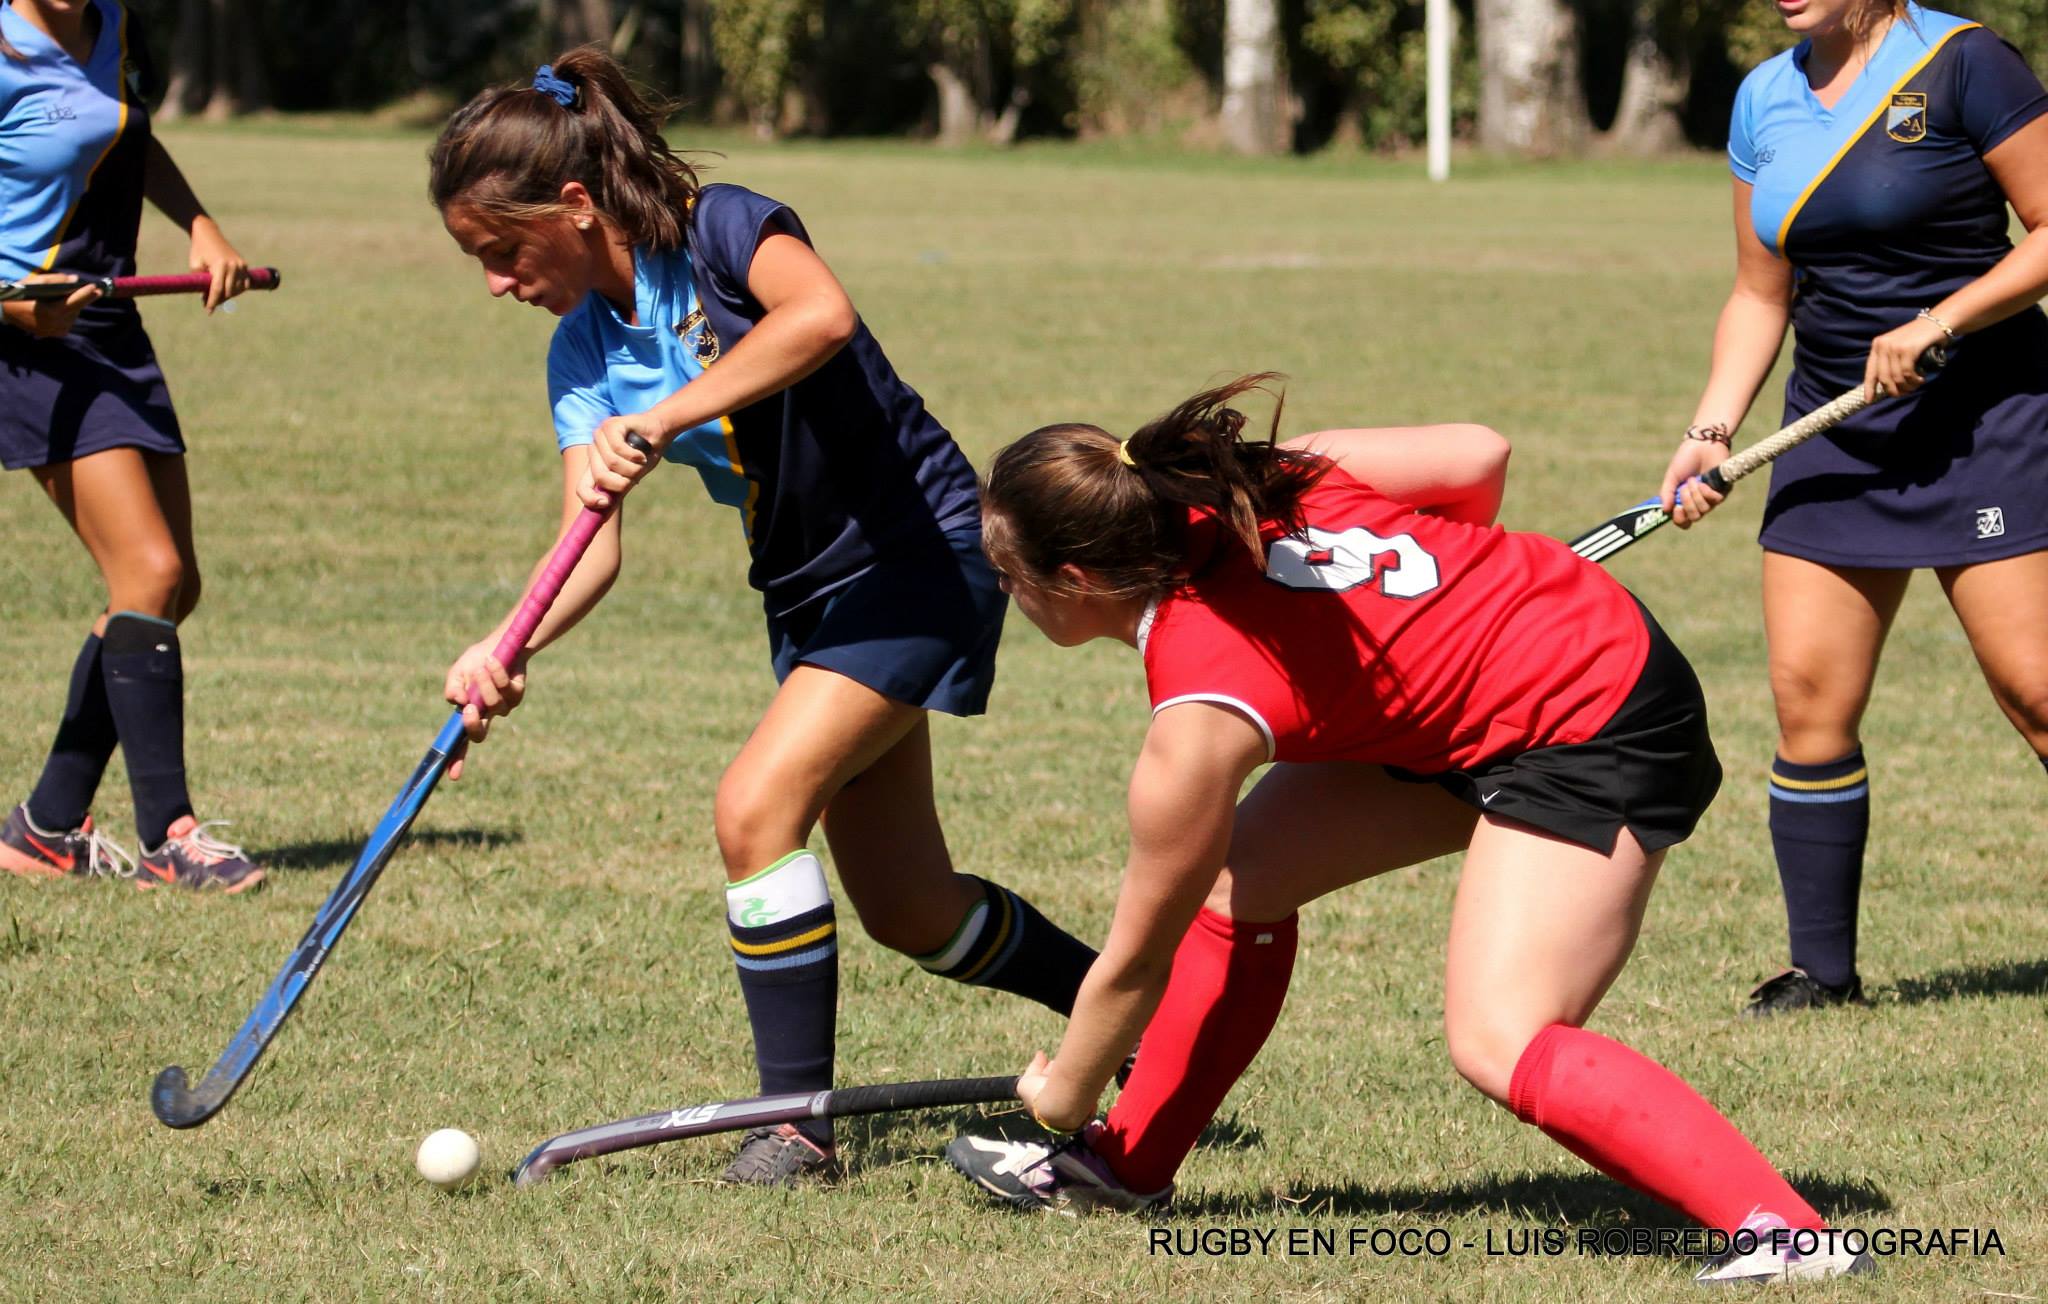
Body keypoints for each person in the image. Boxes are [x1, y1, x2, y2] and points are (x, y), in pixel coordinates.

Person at [943, 377, 1870, 1284]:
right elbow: (1476, 455)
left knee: (1501, 1036)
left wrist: (1063, 1095)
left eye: (1008, 577)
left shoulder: (1198, 718)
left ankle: (1788, 1237)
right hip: (1491, 700)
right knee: (1242, 878)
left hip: (1596, 711)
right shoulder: (1246, 481)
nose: (1007, 596)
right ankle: (1124, 1169)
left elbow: (1137, 958)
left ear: (1075, 579)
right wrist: (1448, 606)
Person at [426, 48, 1102, 1186]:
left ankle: (794, 1126)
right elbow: (589, 543)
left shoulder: (723, 229)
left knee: (754, 809)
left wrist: (666, 417)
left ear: (575, 203)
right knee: (911, 908)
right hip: (804, 590)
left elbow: (820, 317)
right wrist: (505, 646)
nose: (495, 282)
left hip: (917, 553)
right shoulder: (581, 351)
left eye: (501, 250)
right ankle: (1130, 1009)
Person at [1659, 0, 2048, 1017]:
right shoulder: (1763, 95)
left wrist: (1940, 320)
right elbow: (1760, 292)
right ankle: (1822, 974)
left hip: (1984, 423)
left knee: (2036, 689)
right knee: (1807, 699)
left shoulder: (1964, 63)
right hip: (1835, 430)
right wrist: (1710, 429)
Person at [0, 0, 264, 892]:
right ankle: (169, 837)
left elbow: (125, 140)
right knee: (149, 573)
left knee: (169, 590)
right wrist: (13, 303)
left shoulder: (113, 24)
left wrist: (200, 223)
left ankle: (44, 827)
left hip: (112, 327)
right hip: (29, 342)